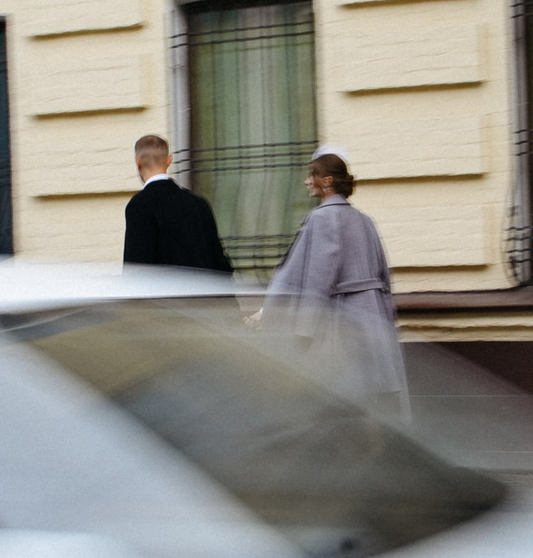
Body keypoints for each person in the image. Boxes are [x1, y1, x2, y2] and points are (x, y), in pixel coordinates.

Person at [255, 151, 407, 412]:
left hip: (342, 325)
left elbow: (316, 279)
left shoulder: (321, 218)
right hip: (374, 324)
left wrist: (301, 329)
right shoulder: (365, 221)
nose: (306, 181)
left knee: (340, 403)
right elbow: (384, 276)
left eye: (310, 175)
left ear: (327, 181)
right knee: (377, 404)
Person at [122, 134, 231, 274]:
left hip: (165, 294)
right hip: (204, 294)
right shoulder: (199, 204)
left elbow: (136, 267)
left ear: (137, 161)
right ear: (169, 160)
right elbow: (220, 263)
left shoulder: (139, 206)